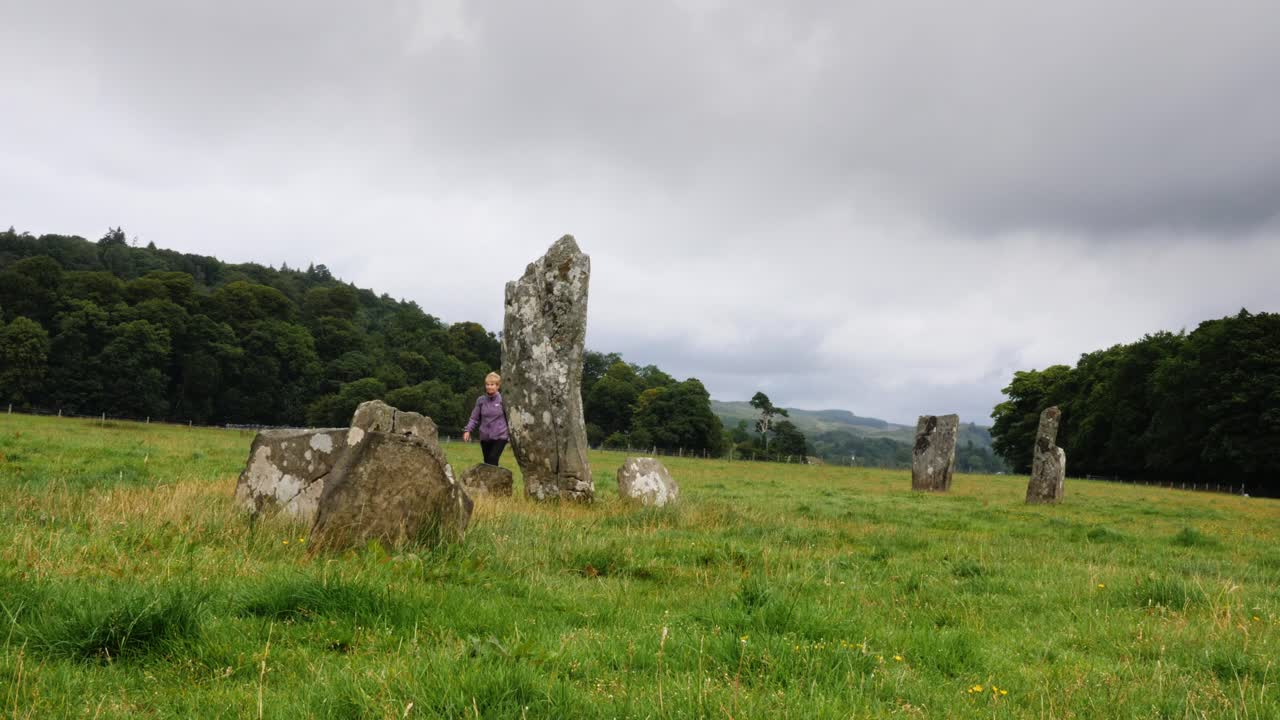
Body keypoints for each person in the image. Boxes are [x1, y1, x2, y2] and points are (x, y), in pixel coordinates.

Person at [463, 371, 509, 465]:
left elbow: (509, 419)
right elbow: (474, 418)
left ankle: (497, 479)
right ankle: (495, 479)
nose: (489, 387)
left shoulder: (503, 400)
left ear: (497, 386)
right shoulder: (481, 400)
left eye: (492, 384)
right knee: (487, 462)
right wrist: (468, 430)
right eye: (487, 384)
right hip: (485, 437)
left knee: (493, 459)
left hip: (500, 435)